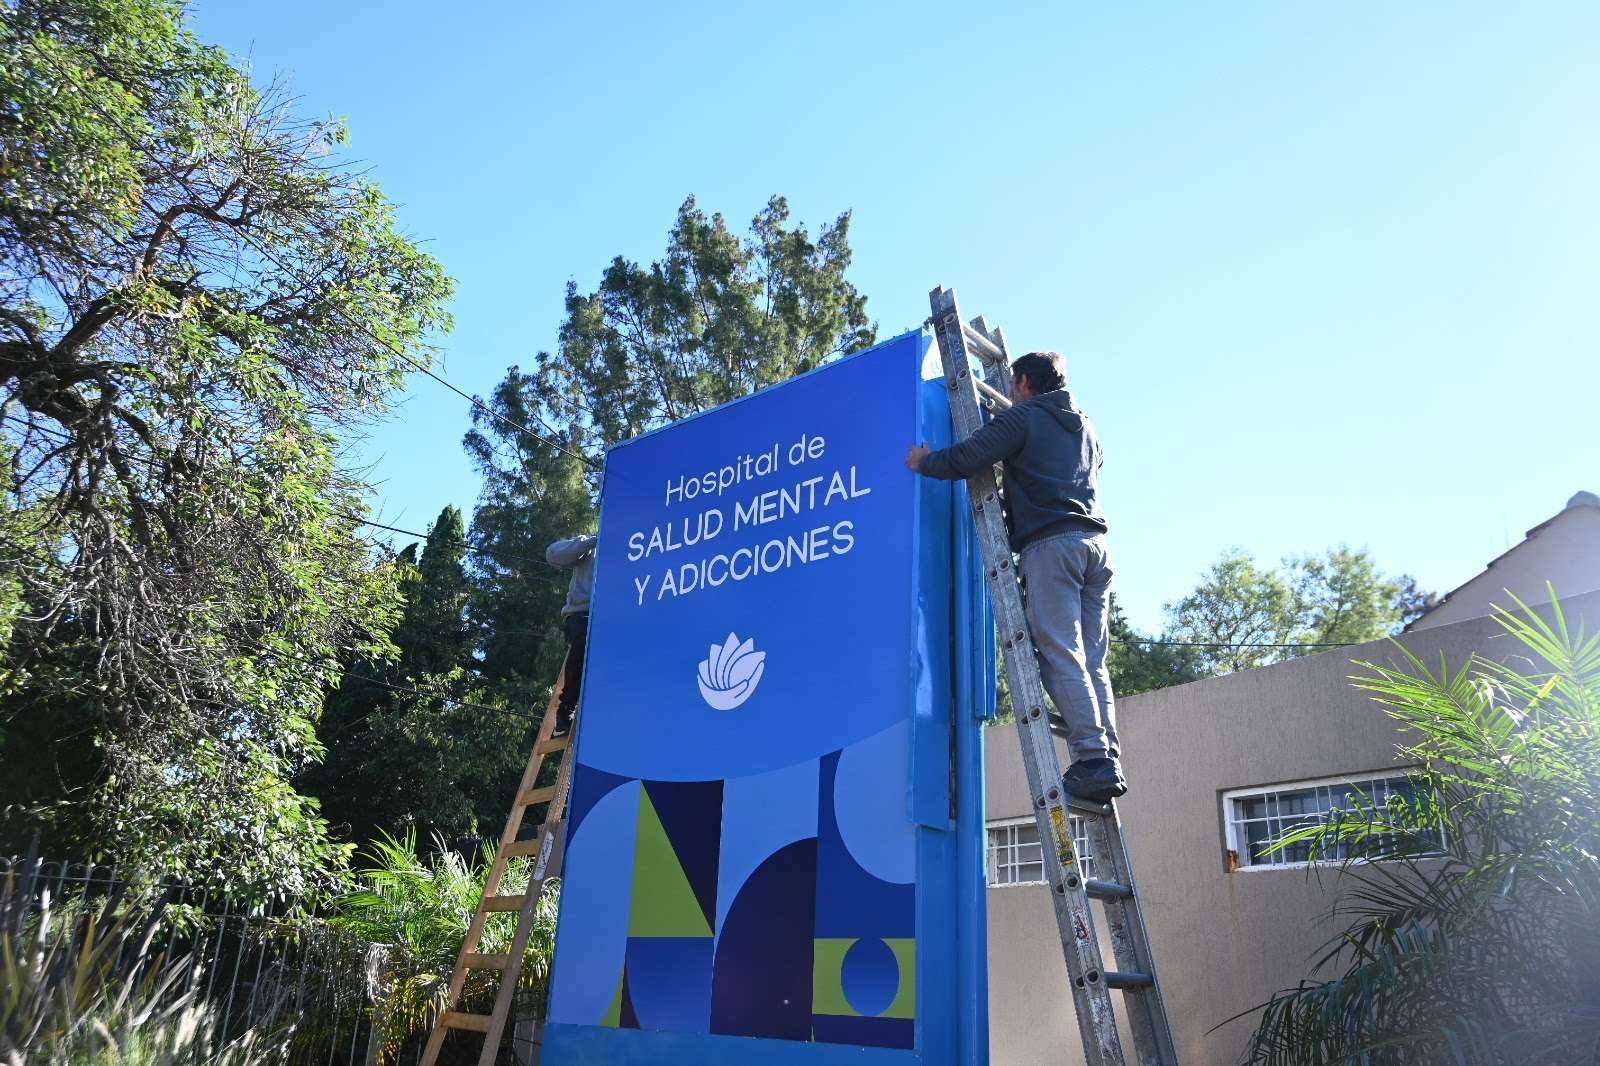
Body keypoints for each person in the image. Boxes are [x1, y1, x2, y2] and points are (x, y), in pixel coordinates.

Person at [904, 351, 1125, 801]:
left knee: (1060, 652)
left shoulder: (1026, 418)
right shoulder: (1087, 427)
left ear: (1023, 381)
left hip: (1053, 547)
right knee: (1092, 661)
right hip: (1096, 548)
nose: (1008, 392)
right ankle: (1108, 756)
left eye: (1011, 384)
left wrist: (923, 462)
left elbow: (969, 457)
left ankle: (1093, 759)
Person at [546, 533, 597, 737]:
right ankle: (565, 713)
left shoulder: (632, 548)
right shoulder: (590, 546)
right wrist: (592, 541)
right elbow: (552, 554)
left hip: (611, 617)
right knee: (581, 647)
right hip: (582, 613)